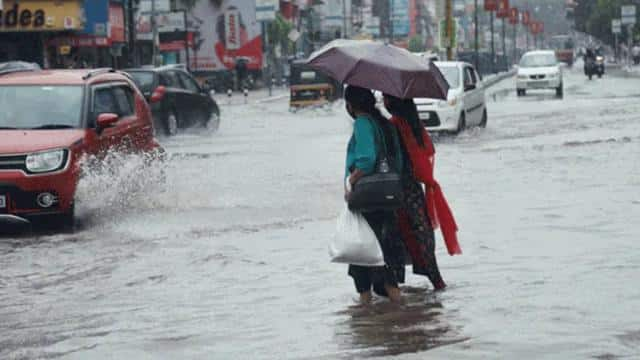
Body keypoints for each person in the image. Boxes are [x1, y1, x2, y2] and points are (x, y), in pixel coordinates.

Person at [383, 94, 462, 291]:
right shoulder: (415, 125)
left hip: (399, 190)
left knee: (399, 237)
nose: (383, 101)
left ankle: (393, 291)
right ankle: (437, 282)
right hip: (416, 189)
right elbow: (428, 151)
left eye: (386, 98)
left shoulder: (394, 126)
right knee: (422, 233)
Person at [343, 86, 406, 304]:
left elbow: (366, 160)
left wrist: (350, 181)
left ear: (350, 105)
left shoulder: (362, 123)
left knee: (363, 258)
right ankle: (399, 313)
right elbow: (397, 161)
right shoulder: (384, 124)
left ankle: (365, 315)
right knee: (384, 257)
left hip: (368, 201)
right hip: (388, 199)